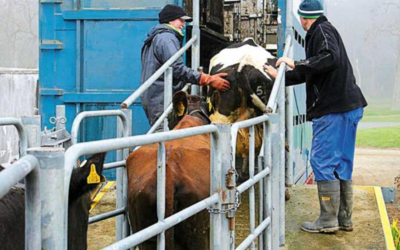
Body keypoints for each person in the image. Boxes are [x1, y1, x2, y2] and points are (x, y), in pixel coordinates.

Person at [264, 0, 367, 234]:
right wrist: (280, 77)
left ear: (303, 18)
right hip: (347, 106)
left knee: (321, 161)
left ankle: (327, 220)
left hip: (333, 109)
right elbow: (315, 71)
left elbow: (329, 57)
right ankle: (343, 219)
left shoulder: (321, 30)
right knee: (341, 163)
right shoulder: (325, 30)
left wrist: (296, 62)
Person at [141, 4, 230, 127]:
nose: (183, 24)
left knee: (165, 135)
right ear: (170, 19)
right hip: (161, 99)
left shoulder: (157, 37)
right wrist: (207, 79)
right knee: (163, 136)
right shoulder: (166, 38)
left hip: (155, 97)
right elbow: (177, 69)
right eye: (181, 20)